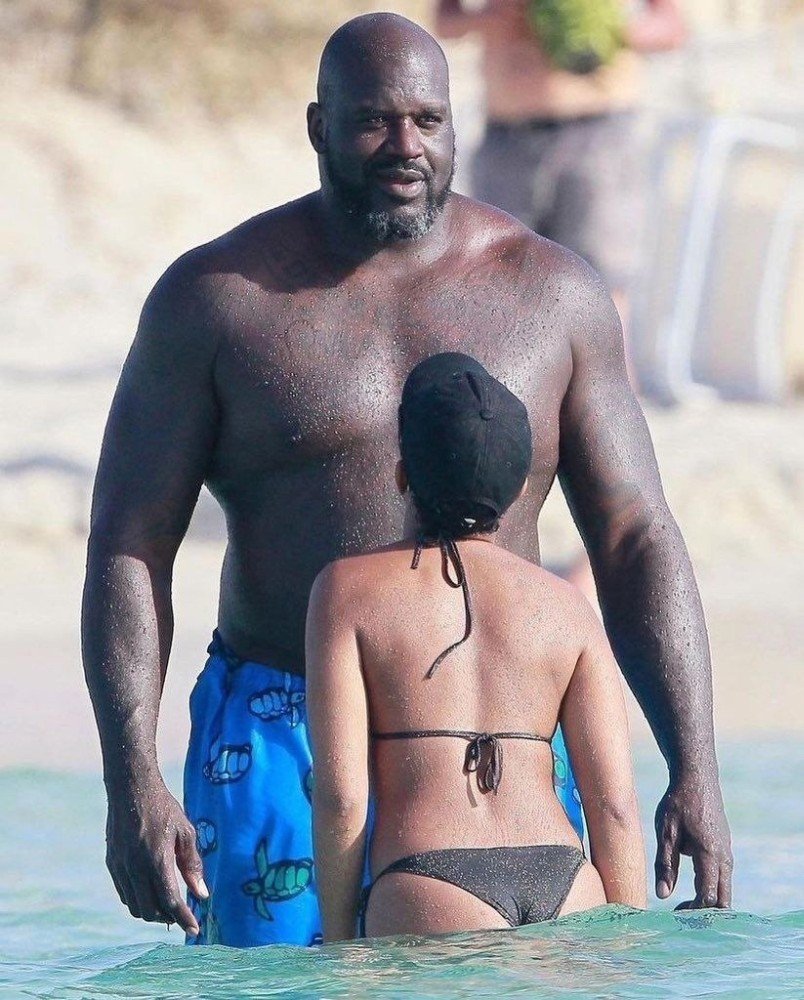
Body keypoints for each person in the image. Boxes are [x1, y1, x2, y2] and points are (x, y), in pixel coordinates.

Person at [81, 12, 731, 949]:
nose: (404, 147)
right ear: (319, 126)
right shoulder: (217, 302)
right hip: (280, 728)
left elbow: (635, 533)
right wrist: (130, 778)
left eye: (428, 120)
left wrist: (695, 766)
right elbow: (130, 543)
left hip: (491, 738)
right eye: (373, 122)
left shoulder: (550, 293)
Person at [307, 352, 646, 940]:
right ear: (519, 489)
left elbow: (341, 797)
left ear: (402, 475)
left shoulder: (346, 592)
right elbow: (614, 805)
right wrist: (630, 948)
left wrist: (338, 943)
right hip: (566, 881)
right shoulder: (566, 607)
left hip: (427, 883)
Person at [435, 0, 686, 351]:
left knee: (601, 287)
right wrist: (492, 16)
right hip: (508, 139)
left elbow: (671, 27)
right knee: (497, 283)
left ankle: (605, 384)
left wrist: (599, 25)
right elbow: (445, 20)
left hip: (599, 137)